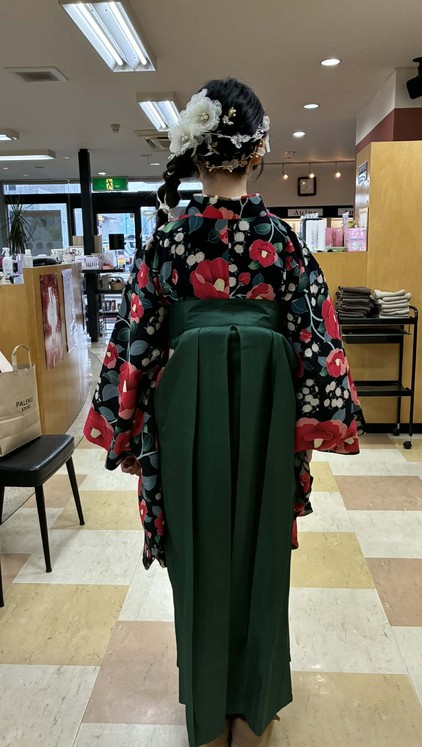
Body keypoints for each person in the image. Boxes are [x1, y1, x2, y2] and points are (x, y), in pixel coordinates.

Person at [84, 77, 364, 747]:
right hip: (268, 413)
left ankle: (207, 710)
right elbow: (316, 344)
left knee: (198, 552)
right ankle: (254, 704)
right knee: (262, 557)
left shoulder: (168, 243)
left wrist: (125, 427)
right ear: (258, 151)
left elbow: (138, 344)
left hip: (186, 418)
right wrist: (317, 418)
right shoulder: (285, 242)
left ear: (197, 152)